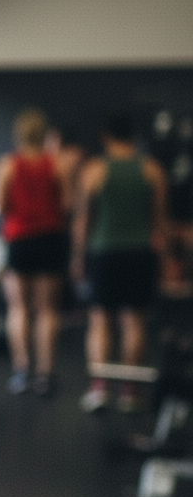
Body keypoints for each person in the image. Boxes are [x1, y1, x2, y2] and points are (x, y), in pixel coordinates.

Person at [72, 111, 168, 413]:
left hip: (104, 253)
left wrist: (77, 257)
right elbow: (159, 223)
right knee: (134, 322)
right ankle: (129, 391)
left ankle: (100, 389)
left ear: (106, 136)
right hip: (140, 253)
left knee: (100, 321)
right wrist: (163, 261)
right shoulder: (151, 169)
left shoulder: (95, 169)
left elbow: (83, 220)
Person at [0, 107, 74, 397]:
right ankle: (45, 374)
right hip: (50, 239)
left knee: (19, 308)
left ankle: (22, 371)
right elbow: (67, 205)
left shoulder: (7, 165)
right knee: (48, 310)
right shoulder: (58, 164)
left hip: (20, 239)